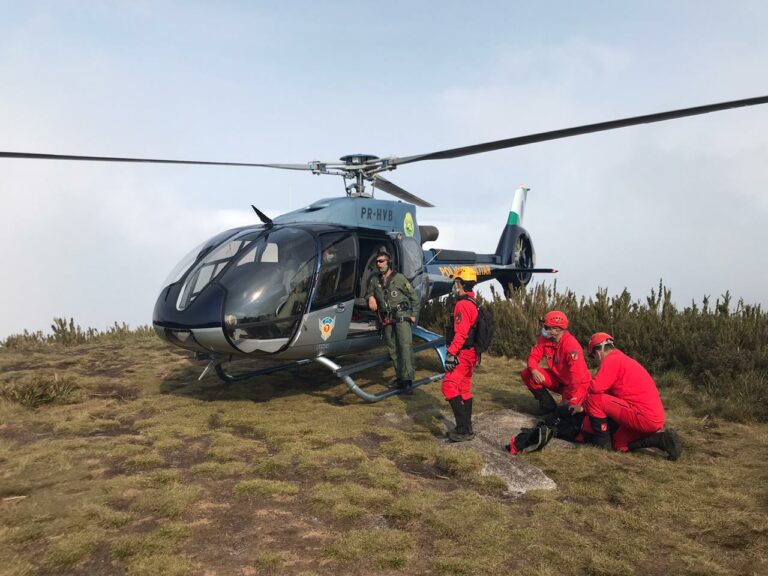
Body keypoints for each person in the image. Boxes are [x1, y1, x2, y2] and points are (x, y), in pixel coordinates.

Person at [583, 332, 681, 460]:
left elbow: (596, 388)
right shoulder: (622, 359)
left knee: (595, 400)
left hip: (642, 416)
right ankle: (662, 440)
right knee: (619, 444)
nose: (594, 360)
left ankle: (603, 446)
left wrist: (582, 386)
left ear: (598, 352)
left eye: (592, 356)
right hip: (652, 418)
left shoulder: (611, 360)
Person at [366, 247, 420, 390]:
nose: (379, 264)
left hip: (402, 317)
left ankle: (408, 381)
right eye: (377, 262)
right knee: (393, 350)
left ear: (387, 261)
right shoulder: (374, 280)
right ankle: (401, 378)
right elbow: (369, 292)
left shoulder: (399, 278)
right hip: (387, 319)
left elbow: (414, 297)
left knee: (405, 348)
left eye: (381, 261)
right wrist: (370, 297)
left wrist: (413, 314)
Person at [520, 310, 591, 416]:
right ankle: (547, 406)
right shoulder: (544, 339)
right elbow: (533, 356)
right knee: (527, 373)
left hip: (578, 385)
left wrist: (567, 398)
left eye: (546, 327)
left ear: (557, 330)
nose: (544, 330)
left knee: (567, 413)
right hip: (559, 379)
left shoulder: (571, 346)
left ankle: (576, 403)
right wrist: (533, 369)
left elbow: (576, 377)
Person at [443, 267, 480, 442]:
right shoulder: (473, 303)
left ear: (460, 284)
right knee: (463, 388)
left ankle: (463, 429)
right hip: (470, 353)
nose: (454, 286)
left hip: (462, 353)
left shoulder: (462, 304)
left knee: (449, 386)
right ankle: (467, 427)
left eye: (455, 283)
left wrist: (450, 353)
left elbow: (461, 333)